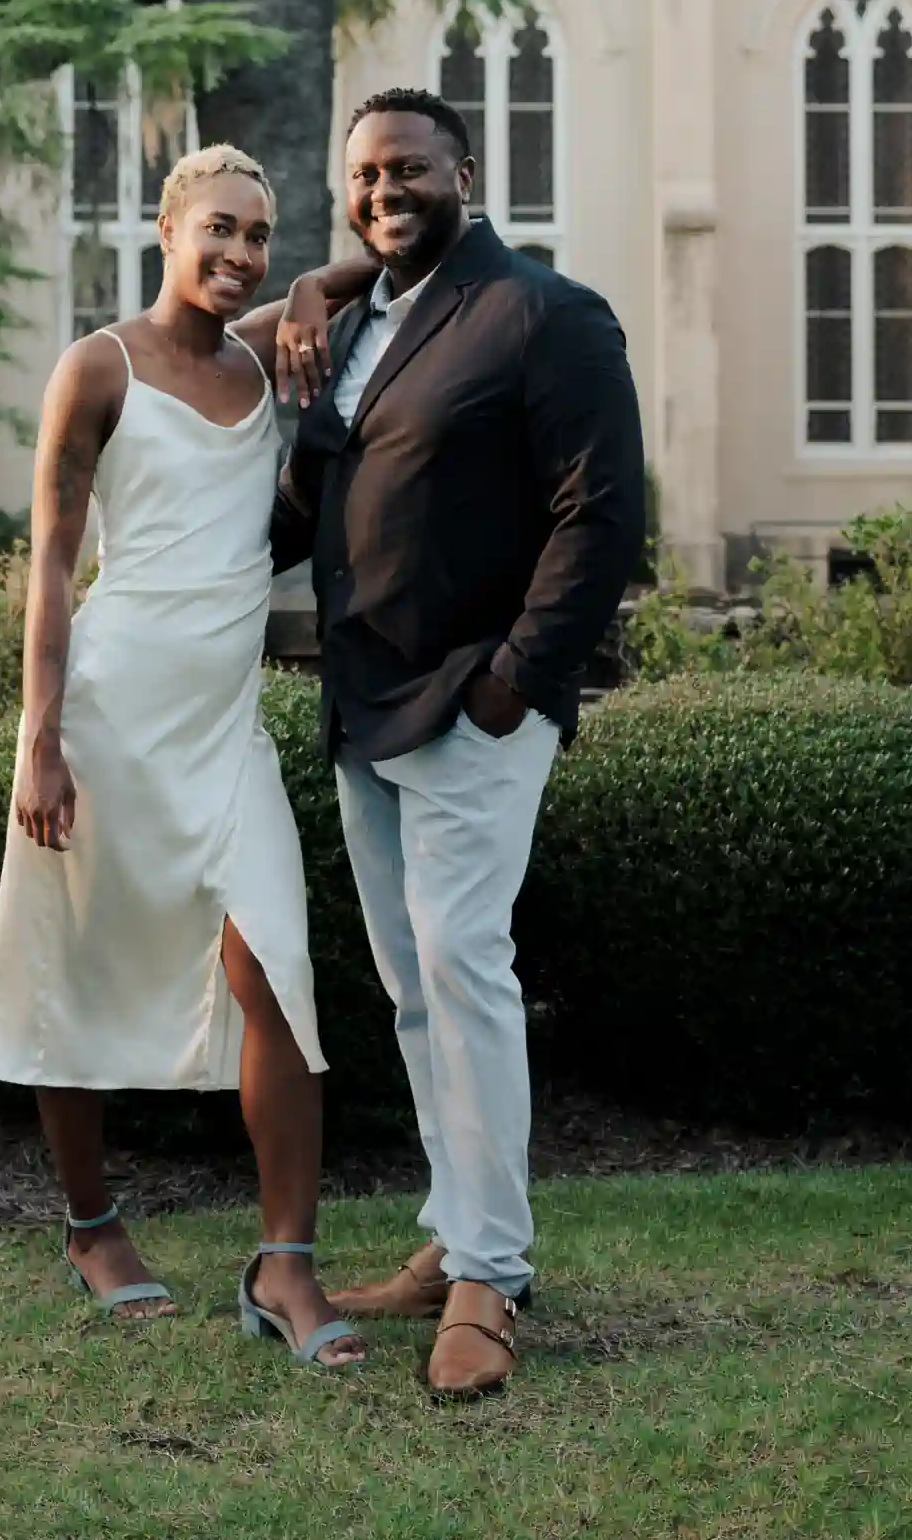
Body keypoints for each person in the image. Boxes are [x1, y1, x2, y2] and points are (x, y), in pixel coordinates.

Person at [269, 86, 646, 1402]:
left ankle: (493, 1274)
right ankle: (454, 1230)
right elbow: (314, 492)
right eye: (366, 173)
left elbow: (602, 516)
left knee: (465, 963)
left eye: (411, 169)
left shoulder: (546, 312)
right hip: (362, 696)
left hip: (470, 697)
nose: (386, 191)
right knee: (412, 981)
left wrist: (514, 678)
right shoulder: (358, 318)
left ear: (466, 171)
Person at [0, 145, 370, 1368]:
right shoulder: (98, 367)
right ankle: (92, 1225)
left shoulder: (256, 350)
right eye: (219, 228)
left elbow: (389, 261)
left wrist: (310, 288)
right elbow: (48, 559)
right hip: (106, 719)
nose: (238, 254)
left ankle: (286, 1268)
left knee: (277, 979)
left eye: (257, 236)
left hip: (222, 732)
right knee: (75, 969)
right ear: (165, 227)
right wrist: (39, 741)